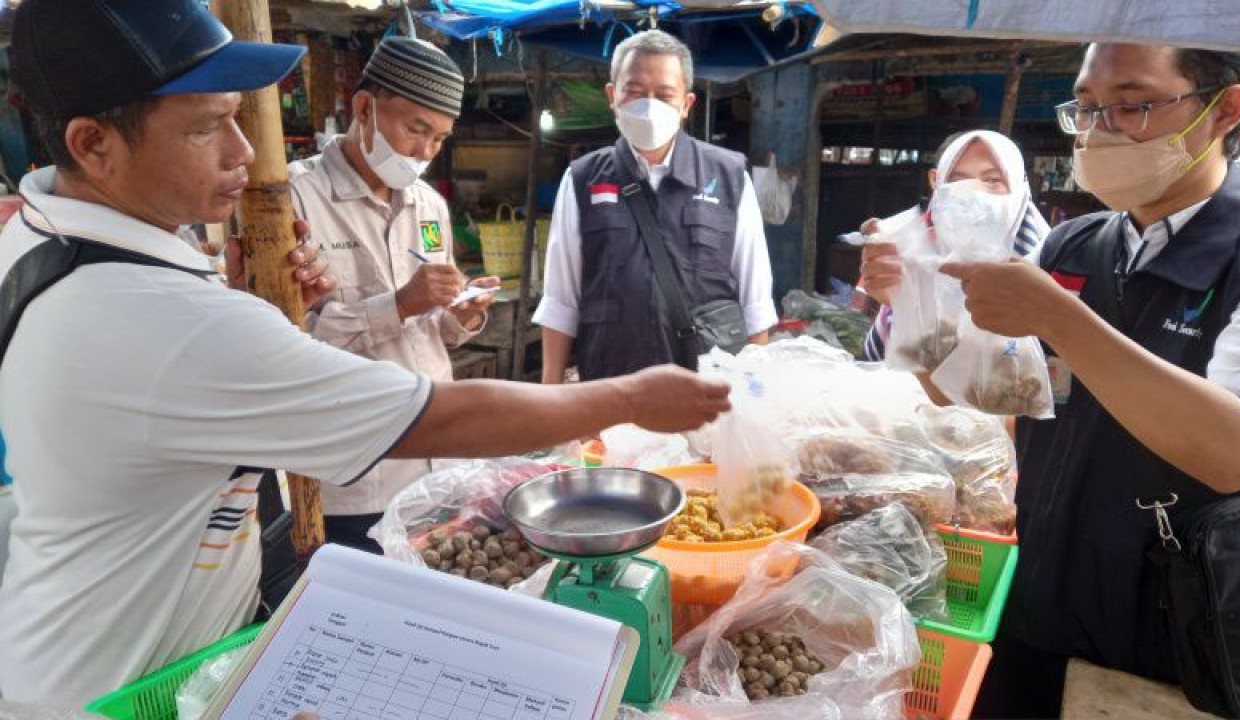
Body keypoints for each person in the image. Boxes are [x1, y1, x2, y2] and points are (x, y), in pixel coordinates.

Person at [0, 0, 730, 708]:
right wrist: (631, 398)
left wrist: (442, 316)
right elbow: (437, 414)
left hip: (96, 644)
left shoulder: (41, 239)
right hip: (114, 689)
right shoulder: (203, 281)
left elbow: (197, 384)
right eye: (208, 127)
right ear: (93, 144)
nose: (244, 151)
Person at [934, 45, 1240, 718]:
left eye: (1132, 104)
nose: (1100, 129)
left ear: (1224, 110)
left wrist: (1061, 318)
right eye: (1087, 107)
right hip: (1034, 602)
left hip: (1170, 640)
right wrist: (919, 302)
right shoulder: (1073, 245)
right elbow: (992, 390)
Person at [289, 37, 500, 554]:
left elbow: (432, 332)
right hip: (358, 477)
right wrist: (399, 304)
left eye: (440, 139)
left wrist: (462, 316)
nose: (425, 152)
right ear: (364, 108)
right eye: (416, 129)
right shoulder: (295, 199)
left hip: (439, 462)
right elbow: (287, 347)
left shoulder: (429, 205)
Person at [534, 29, 777, 383]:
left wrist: (753, 393)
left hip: (705, 389)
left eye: (664, 95)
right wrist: (551, 395)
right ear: (612, 96)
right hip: (610, 388)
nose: (648, 106)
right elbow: (560, 300)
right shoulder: (582, 178)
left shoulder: (729, 176)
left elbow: (756, 303)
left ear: (686, 105)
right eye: (633, 92)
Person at [858, 130, 1050, 362]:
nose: (974, 194)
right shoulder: (910, 251)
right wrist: (901, 300)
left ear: (1018, 186)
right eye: (958, 181)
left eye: (992, 180)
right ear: (936, 183)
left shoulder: (1050, 260)